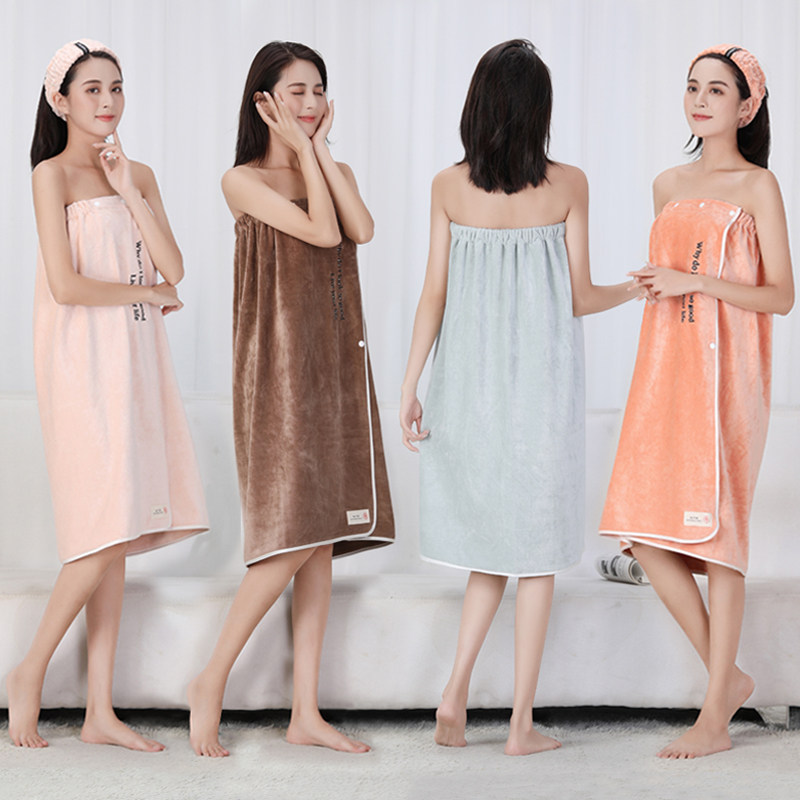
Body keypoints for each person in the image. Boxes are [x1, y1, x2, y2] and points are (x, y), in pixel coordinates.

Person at [400, 39, 638, 756]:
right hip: (542, 393)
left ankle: (454, 693)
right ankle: (520, 725)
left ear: (478, 106)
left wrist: (410, 384)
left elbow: (434, 292)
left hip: (468, 391)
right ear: (540, 111)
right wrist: (636, 288)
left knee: (489, 553)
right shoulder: (569, 185)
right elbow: (580, 296)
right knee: (535, 558)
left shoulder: (448, 187)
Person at [188, 41, 394, 758]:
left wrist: (319, 152)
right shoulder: (242, 180)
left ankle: (305, 711)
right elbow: (324, 231)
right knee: (296, 533)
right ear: (264, 102)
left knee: (322, 539)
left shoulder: (334, 169)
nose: (310, 103)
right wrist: (308, 152)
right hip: (277, 369)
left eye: (318, 91)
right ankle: (211, 679)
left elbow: (362, 229)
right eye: (295, 92)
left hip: (336, 362)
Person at [6, 39, 209, 750]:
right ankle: (29, 670)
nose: (108, 101)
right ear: (61, 102)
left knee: (119, 526)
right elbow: (65, 285)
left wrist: (127, 191)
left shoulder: (139, 173)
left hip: (136, 357)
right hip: (79, 361)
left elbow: (176, 265)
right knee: (104, 526)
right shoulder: (51, 175)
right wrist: (145, 292)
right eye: (92, 89)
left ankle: (98, 711)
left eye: (116, 87)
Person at [600, 44, 794, 759]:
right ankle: (729, 679)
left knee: (721, 537)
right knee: (641, 530)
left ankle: (715, 716)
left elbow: (781, 296)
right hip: (665, 368)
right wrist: (651, 283)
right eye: (693, 87)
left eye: (717, 90)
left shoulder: (758, 186)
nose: (701, 99)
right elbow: (666, 280)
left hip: (731, 375)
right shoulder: (667, 184)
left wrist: (697, 283)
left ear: (746, 108)